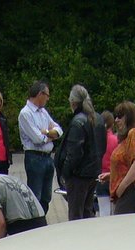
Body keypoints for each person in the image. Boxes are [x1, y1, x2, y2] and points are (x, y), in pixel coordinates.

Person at [55, 84, 103, 221]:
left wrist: (65, 173)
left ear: (73, 102)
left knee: (76, 216)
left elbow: (74, 153)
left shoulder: (78, 122)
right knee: (88, 212)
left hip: (78, 176)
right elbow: (102, 146)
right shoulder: (98, 118)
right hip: (93, 173)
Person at [18, 81, 63, 214]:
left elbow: (59, 130)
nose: (48, 98)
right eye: (47, 95)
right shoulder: (25, 113)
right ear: (40, 94)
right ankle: (35, 221)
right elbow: (37, 139)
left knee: (46, 197)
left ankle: (42, 218)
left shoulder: (43, 112)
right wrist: (50, 135)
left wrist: (46, 132)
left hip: (47, 157)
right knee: (35, 196)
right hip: (34, 158)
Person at [97, 109, 118, 216]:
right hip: (113, 177)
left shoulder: (96, 140)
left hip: (100, 177)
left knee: (103, 210)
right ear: (112, 124)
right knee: (115, 211)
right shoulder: (116, 140)